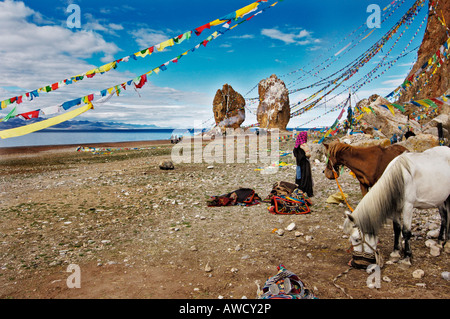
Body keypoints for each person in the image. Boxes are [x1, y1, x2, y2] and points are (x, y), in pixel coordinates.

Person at [293, 131, 314, 197]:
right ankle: (307, 192)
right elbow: (307, 155)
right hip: (305, 164)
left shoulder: (296, 146)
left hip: (299, 164)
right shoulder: (304, 146)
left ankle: (299, 191)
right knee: (306, 177)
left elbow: (295, 156)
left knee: (299, 177)